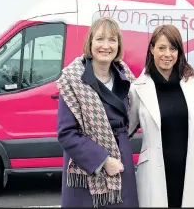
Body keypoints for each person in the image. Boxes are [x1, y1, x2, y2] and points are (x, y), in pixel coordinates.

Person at [128, 24, 194, 207]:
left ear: (179, 52)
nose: (167, 54)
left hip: (191, 169)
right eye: (161, 48)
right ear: (151, 49)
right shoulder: (138, 89)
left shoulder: (192, 82)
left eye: (173, 48)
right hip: (154, 174)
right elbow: (126, 130)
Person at [56, 17, 139, 208]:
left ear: (118, 45)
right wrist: (102, 160)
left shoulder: (125, 76)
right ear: (90, 42)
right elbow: (66, 133)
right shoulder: (72, 80)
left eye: (112, 40)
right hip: (87, 166)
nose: (105, 46)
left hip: (121, 157)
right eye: (100, 39)